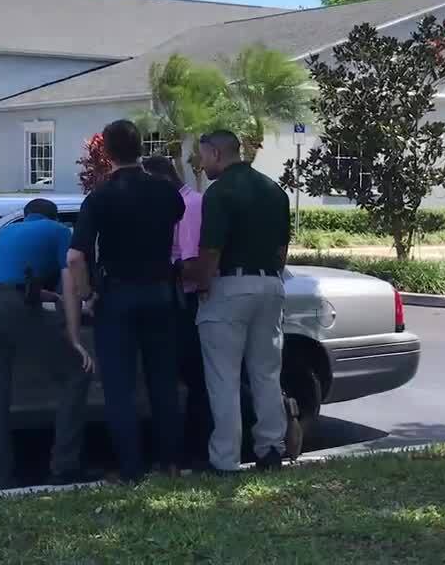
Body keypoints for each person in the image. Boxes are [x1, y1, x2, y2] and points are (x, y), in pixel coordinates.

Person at [68, 121, 185, 484]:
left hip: (117, 295)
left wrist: (87, 294)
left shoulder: (100, 197)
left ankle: (131, 469)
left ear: (106, 152)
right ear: (140, 149)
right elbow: (178, 219)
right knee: (163, 382)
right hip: (161, 293)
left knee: (120, 387)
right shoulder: (167, 193)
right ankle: (170, 463)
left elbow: (75, 258)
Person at [0, 198, 95, 490]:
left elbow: (8, 275)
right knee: (77, 373)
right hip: (11, 305)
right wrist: (74, 339)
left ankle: (0, 479)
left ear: (27, 216)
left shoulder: (6, 232)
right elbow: (70, 283)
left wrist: (49, 298)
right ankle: (65, 467)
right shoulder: (60, 231)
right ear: (53, 217)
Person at [192, 130, 292, 473]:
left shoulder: (219, 193)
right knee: (266, 373)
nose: (200, 164)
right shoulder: (274, 190)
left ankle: (226, 459)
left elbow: (211, 249)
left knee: (224, 377)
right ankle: (271, 449)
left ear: (217, 155)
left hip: (229, 287)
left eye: (202, 157)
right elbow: (282, 251)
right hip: (270, 284)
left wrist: (202, 283)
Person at [141, 154, 211, 468]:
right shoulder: (170, 205)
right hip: (173, 300)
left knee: (195, 382)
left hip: (187, 303)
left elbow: (192, 263)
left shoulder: (190, 206)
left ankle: (195, 452)